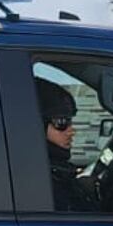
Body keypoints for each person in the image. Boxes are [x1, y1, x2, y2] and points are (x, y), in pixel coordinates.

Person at [36, 78, 96, 212]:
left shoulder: (50, 170)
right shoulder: (40, 180)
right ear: (37, 125)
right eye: (61, 122)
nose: (71, 131)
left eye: (69, 121)